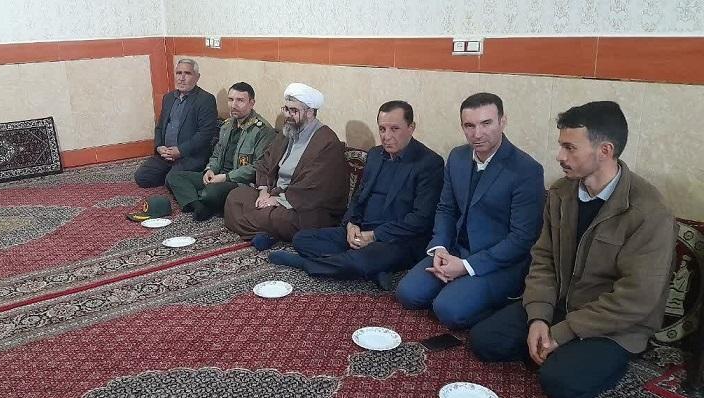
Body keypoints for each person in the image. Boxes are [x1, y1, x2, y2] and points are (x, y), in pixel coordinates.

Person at [470, 101, 676, 398]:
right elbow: (543, 260)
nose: (560, 156)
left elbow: (636, 299)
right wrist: (538, 317)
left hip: (613, 325)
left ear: (605, 150)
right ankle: (557, 349)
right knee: (484, 341)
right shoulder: (561, 192)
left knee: (560, 383)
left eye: (570, 148)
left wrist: (562, 333)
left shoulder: (649, 211)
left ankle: (588, 358)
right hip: (561, 304)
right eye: (561, 146)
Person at [395, 92, 545, 329]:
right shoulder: (457, 157)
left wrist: (466, 266)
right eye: (469, 126)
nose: (477, 134)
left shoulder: (526, 170)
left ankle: (499, 301)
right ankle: (458, 288)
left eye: (486, 123)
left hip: (498, 262)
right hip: (456, 249)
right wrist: (440, 247)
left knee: (447, 309)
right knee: (408, 293)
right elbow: (446, 208)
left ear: (502, 121)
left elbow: (522, 238)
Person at [268, 100, 443, 290]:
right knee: (302, 238)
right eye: (382, 129)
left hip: (395, 240)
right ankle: (376, 268)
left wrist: (374, 236)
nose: (387, 136)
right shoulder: (375, 155)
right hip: (362, 231)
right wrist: (351, 224)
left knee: (359, 261)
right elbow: (359, 196)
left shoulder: (429, 163)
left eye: (394, 129)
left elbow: (420, 219)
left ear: (411, 127)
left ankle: (305, 264)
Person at [223, 83, 348, 251]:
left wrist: (276, 200)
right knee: (235, 197)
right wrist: (263, 191)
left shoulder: (326, 141)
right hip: (273, 193)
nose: (288, 115)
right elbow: (265, 162)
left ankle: (265, 231)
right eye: (286, 109)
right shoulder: (288, 130)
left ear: (310, 112)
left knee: (281, 218)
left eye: (294, 111)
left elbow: (314, 187)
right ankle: (267, 232)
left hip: (304, 207)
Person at [165, 82, 276, 221]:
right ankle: (198, 205)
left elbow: (258, 167)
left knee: (210, 193)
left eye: (240, 100)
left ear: (251, 103)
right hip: (218, 176)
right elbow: (216, 154)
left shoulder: (262, 130)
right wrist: (210, 170)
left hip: (239, 182)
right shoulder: (227, 125)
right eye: (230, 99)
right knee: (173, 177)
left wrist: (226, 177)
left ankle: (198, 199)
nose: (233, 105)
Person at [134, 58, 219, 188]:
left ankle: (177, 177)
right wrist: (159, 147)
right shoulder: (168, 98)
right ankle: (173, 176)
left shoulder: (205, 99)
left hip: (190, 156)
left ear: (197, 77)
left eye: (187, 73)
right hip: (166, 155)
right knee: (142, 177)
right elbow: (160, 127)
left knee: (172, 181)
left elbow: (205, 134)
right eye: (179, 73)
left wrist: (180, 150)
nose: (181, 78)